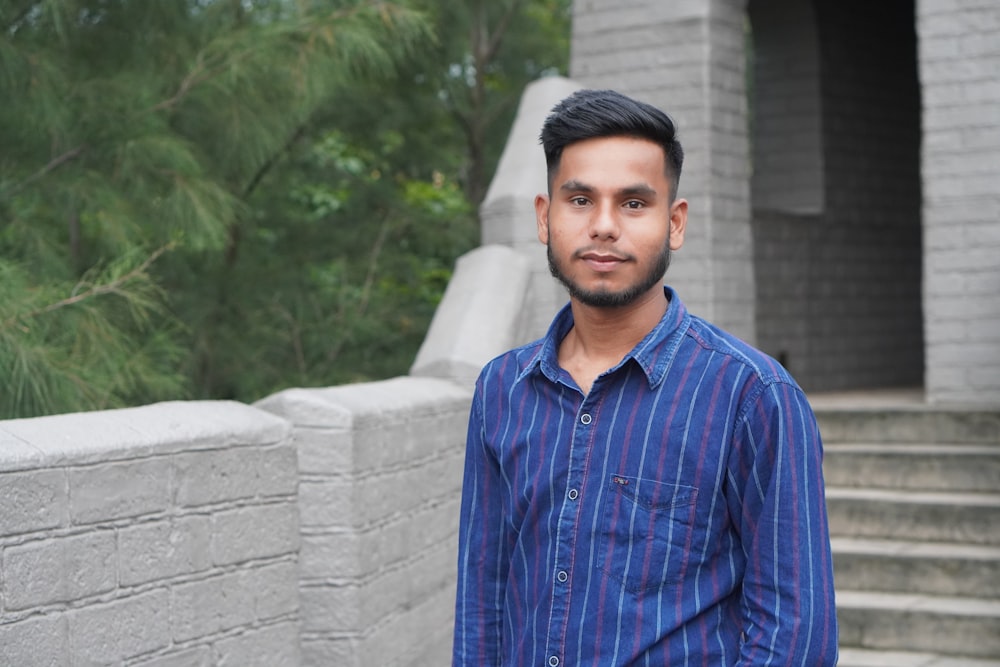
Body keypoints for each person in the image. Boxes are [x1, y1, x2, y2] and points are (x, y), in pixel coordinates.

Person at [452, 88, 839, 665]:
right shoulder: (503, 390)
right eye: (579, 200)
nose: (604, 226)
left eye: (634, 203)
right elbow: (482, 602)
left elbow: (796, 634)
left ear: (674, 223)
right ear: (544, 216)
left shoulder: (751, 396)